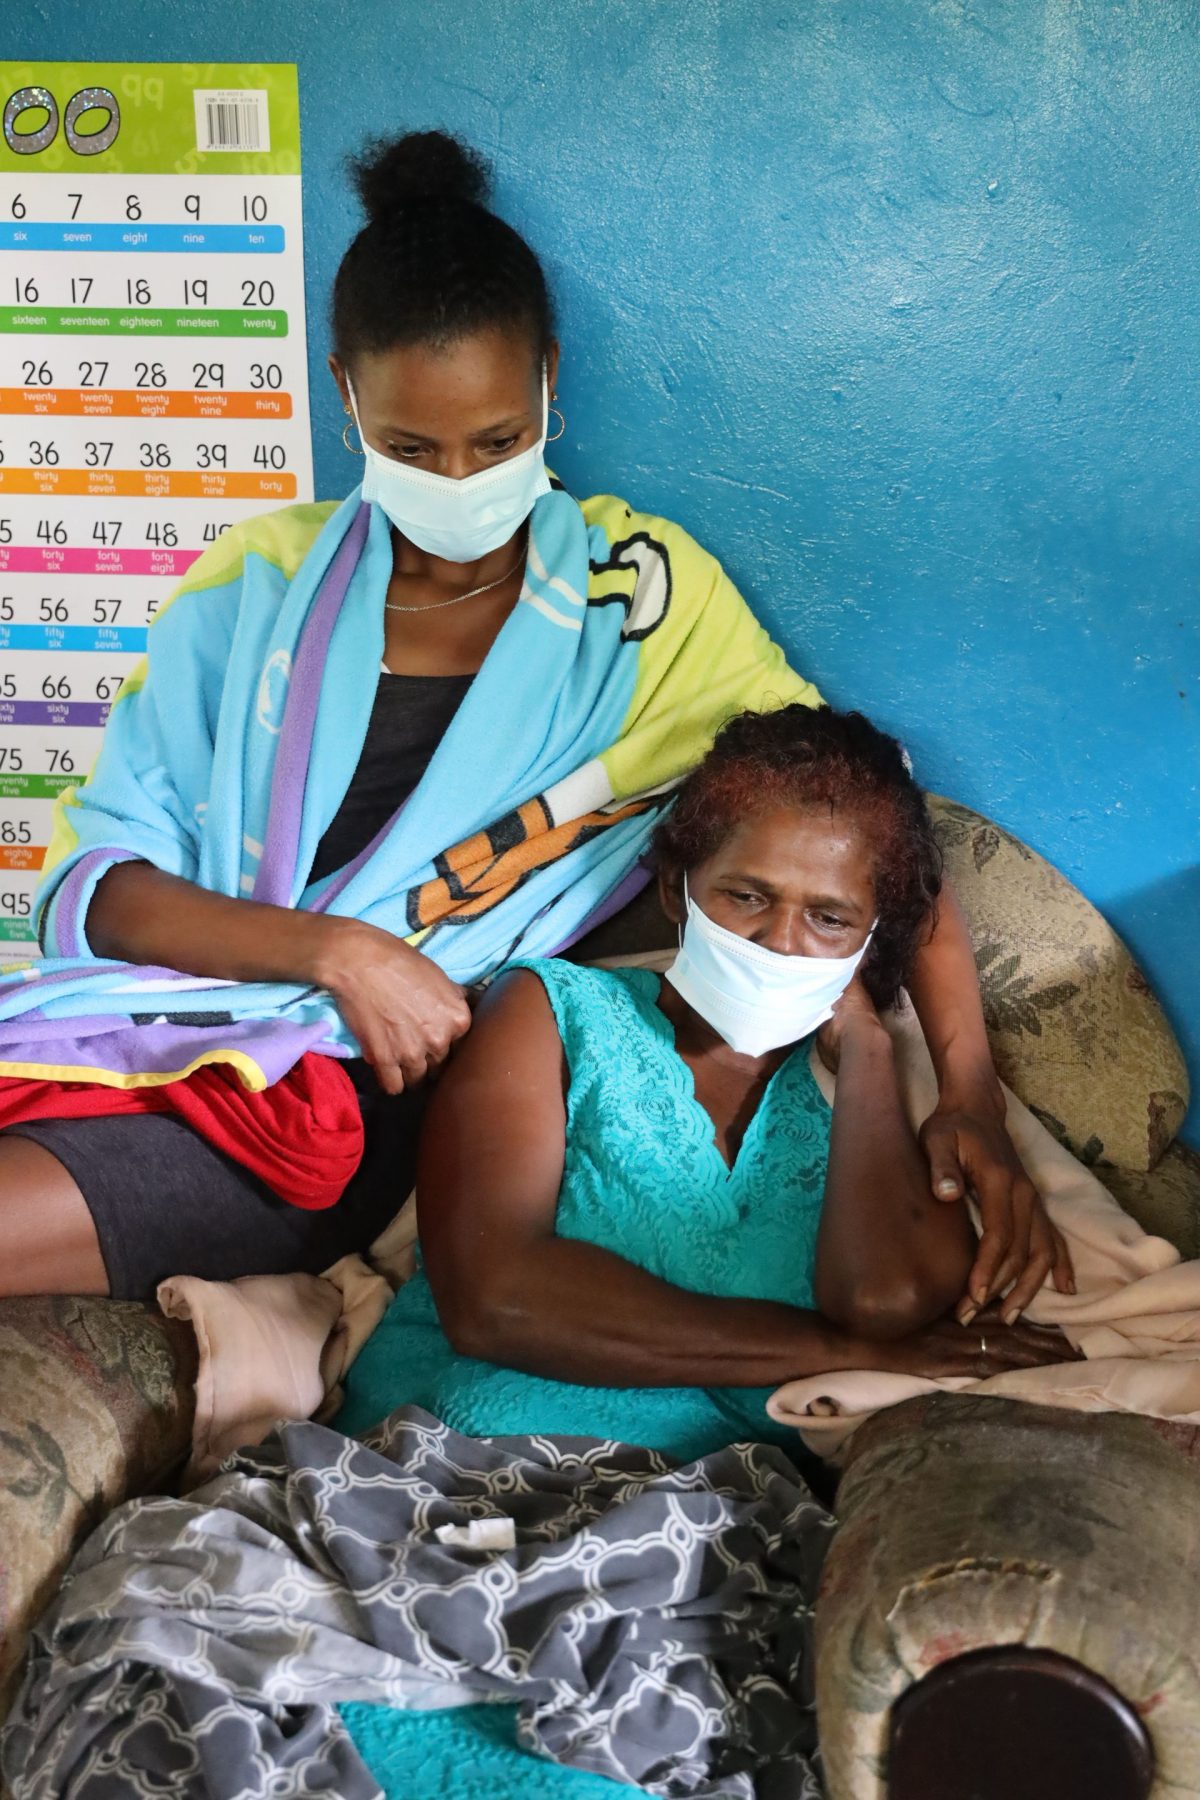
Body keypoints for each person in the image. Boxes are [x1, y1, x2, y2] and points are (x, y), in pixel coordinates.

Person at [0, 131, 1067, 1316]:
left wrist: (967, 1087)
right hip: (151, 1029)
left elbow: (861, 825)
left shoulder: (643, 598)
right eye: (410, 447)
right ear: (345, 394)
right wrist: (339, 953)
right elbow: (92, 889)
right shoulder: (252, 586)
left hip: (340, 1104)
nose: (458, 482)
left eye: (498, 441)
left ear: (550, 383)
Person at [330, 704, 1073, 1796]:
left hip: (673, 1545)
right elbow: (500, 1297)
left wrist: (869, 1047)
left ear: (871, 945)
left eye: (829, 919)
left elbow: (883, 1304)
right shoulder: (553, 1014)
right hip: (443, 1495)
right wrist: (818, 1346)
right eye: (747, 897)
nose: (780, 944)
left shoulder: (856, 1107)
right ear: (679, 888)